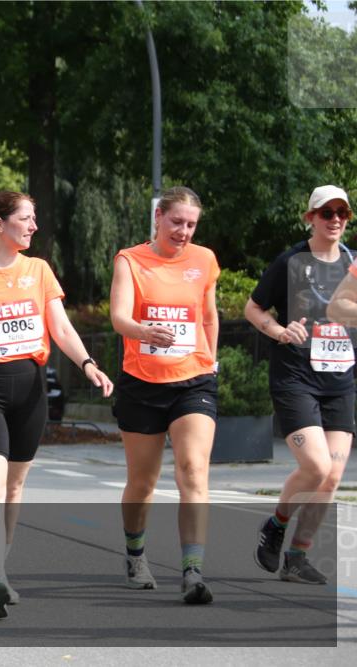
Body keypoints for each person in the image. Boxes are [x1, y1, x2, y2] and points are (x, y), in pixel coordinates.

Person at [0, 190, 112, 621]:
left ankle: (2, 569)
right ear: (0, 223)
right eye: (26, 218)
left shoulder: (38, 270)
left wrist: (89, 363)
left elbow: (61, 328)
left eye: (35, 218)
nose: (34, 226)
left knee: (14, 488)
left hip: (29, 388)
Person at [109, 186, 220, 605]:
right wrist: (142, 331)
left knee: (193, 471)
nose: (184, 231)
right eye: (176, 222)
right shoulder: (130, 259)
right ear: (159, 217)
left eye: (191, 225)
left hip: (194, 381)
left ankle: (193, 571)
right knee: (142, 481)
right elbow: (118, 316)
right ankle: (135, 555)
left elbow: (208, 317)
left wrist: (210, 361)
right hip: (142, 383)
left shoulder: (204, 260)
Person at [245, 184, 354, 585]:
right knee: (317, 465)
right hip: (296, 379)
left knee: (332, 477)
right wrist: (277, 330)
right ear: (310, 217)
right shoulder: (291, 261)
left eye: (342, 212)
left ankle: (297, 556)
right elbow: (253, 308)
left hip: (340, 381)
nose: (336, 220)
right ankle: (276, 524)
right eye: (327, 213)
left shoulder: (353, 263)